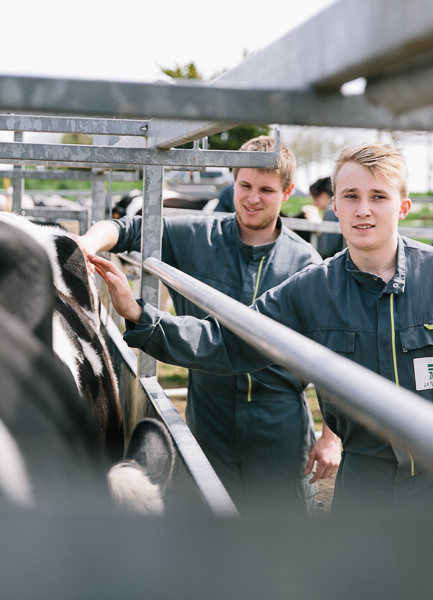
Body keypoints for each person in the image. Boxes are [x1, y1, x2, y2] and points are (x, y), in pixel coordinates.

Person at [91, 142, 433, 516]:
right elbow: (227, 341)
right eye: (350, 196)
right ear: (333, 206)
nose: (363, 210)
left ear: (403, 206)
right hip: (363, 487)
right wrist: (139, 316)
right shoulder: (312, 288)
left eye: (378, 197)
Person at [78, 136, 341, 517]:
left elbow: (330, 352)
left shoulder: (306, 262)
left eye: (266, 190)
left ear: (287, 192)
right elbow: (130, 227)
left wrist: (331, 436)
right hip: (209, 411)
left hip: (279, 419)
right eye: (245, 186)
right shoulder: (198, 237)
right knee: (211, 524)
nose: (253, 198)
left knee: (283, 530)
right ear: (232, 182)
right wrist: (87, 244)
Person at [310, 176, 345, 259]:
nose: (314, 203)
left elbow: (325, 249)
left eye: (315, 198)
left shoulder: (330, 213)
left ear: (323, 195)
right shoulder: (339, 209)